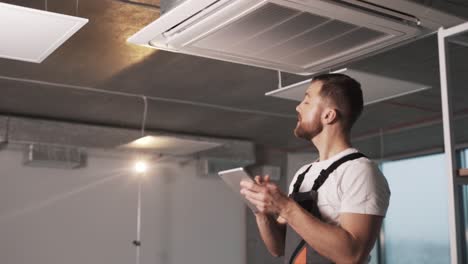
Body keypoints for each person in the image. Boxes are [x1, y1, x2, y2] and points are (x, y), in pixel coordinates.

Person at [240, 73, 390, 264]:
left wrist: (285, 206)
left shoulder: (360, 171)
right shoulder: (303, 174)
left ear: (329, 115)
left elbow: (352, 255)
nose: (298, 106)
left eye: (307, 101)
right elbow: (279, 248)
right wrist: (262, 211)